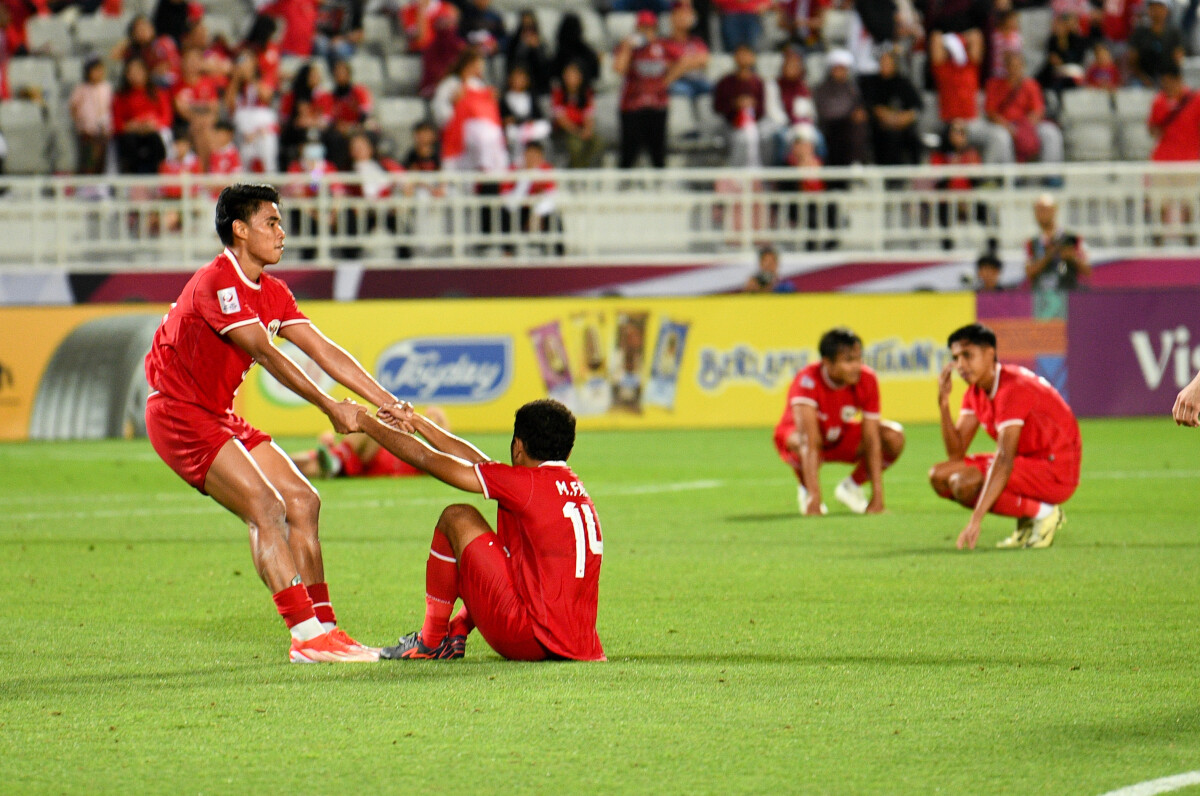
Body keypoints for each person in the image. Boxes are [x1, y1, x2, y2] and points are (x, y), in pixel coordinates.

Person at [143, 183, 407, 663]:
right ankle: (305, 636)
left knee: (304, 500)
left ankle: (325, 628)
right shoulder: (216, 281)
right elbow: (263, 352)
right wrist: (331, 407)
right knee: (265, 507)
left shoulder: (274, 292)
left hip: (218, 414)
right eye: (272, 222)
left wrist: (389, 402)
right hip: (179, 414)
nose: (282, 233)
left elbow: (323, 350)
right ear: (240, 230)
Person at [353, 399, 605, 662]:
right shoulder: (569, 487)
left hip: (529, 638)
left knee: (457, 517)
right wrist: (415, 421)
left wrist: (366, 422)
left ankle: (431, 641)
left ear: (518, 447)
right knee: (502, 556)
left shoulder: (525, 486)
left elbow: (426, 459)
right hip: (577, 643)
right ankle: (458, 628)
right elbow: (478, 462)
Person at [930, 323, 1081, 550]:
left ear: (990, 353)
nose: (960, 365)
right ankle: (1032, 518)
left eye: (967, 355)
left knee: (964, 483)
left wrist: (976, 520)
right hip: (1029, 464)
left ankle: (1045, 514)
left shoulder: (1012, 389)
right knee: (939, 476)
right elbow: (956, 452)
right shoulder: (975, 391)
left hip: (1056, 469)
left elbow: (1004, 460)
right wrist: (943, 404)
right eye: (956, 358)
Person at [773, 327, 906, 516]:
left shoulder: (866, 379)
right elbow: (809, 441)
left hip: (838, 435)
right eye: (849, 360)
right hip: (802, 441)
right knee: (802, 441)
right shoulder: (807, 381)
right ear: (827, 362)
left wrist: (877, 498)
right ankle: (807, 489)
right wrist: (814, 500)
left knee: (893, 436)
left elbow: (871, 438)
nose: (857, 366)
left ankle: (851, 487)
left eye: (859, 358)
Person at [613, 10, 687, 169]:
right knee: (628, 155)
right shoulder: (629, 47)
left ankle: (660, 189)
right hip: (632, 106)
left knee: (658, 155)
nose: (646, 32)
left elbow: (685, 60)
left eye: (650, 28)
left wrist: (667, 80)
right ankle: (624, 188)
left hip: (657, 106)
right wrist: (627, 47)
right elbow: (618, 68)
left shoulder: (663, 46)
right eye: (643, 28)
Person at [292, 407, 450, 479]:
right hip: (362, 457)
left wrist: (442, 422)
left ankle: (335, 460)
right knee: (311, 464)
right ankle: (274, 465)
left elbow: (446, 456)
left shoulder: (421, 457)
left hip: (373, 461)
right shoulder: (405, 442)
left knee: (367, 421)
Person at [1024, 193, 1091, 291]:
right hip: (1043, 299)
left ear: (1054, 210)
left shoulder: (1073, 239)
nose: (1041, 214)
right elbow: (1029, 272)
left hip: (1068, 297)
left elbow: (1088, 270)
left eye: (1044, 209)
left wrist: (1071, 257)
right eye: (1037, 210)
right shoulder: (1032, 243)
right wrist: (1048, 256)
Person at [1130, 0, 1185, 88]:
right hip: (1142, 80)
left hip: (1168, 79)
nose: (1156, 11)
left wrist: (1169, 80)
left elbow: (1177, 60)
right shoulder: (1140, 33)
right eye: (1153, 7)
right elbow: (1132, 61)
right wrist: (1143, 78)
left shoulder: (1174, 33)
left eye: (1160, 7)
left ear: (1167, 10)